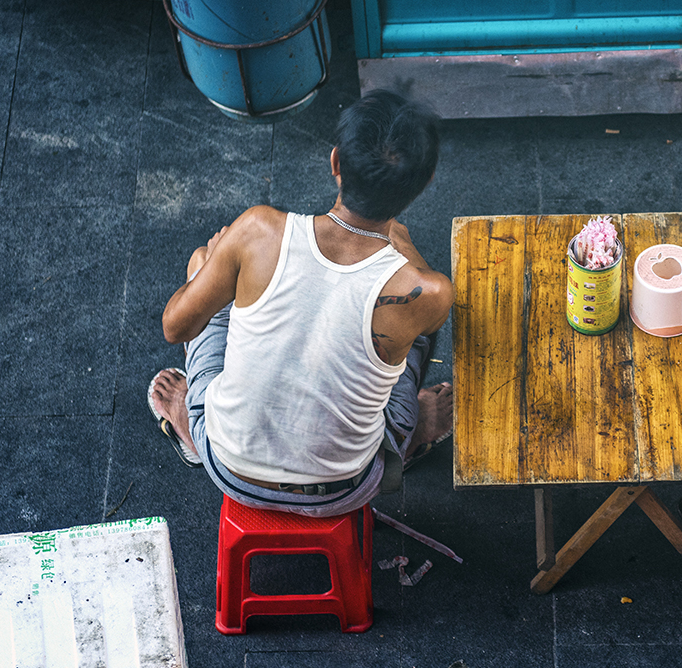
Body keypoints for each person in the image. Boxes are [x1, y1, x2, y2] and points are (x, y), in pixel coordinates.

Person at [147, 89, 455, 516]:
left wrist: (214, 264)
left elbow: (174, 327)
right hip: (346, 487)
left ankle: (190, 422)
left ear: (334, 163)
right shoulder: (429, 291)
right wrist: (397, 240)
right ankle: (411, 430)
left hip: (231, 470)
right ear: (426, 184)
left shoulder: (258, 230)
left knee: (206, 267)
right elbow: (414, 283)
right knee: (412, 335)